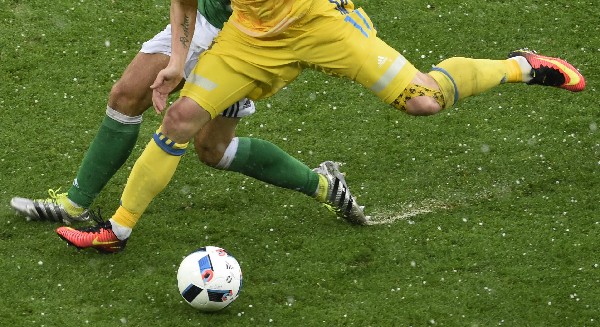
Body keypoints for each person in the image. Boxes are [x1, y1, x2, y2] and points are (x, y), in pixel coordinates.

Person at [54, 0, 585, 253]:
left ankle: (521, 66)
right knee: (181, 117)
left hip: (322, 23)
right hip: (250, 36)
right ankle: (117, 228)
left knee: (424, 101)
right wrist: (175, 59)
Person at [10, 0, 369, 231]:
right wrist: (180, 57)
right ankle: (75, 205)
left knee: (213, 150)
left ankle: (324, 185)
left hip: (249, 47)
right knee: (125, 96)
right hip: (202, 24)